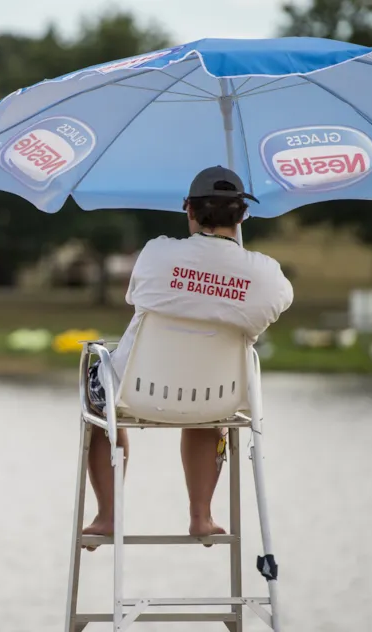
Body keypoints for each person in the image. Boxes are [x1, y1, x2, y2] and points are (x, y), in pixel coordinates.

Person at [83, 165, 294, 547]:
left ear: (189, 210)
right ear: (243, 214)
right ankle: (202, 516)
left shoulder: (156, 254)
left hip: (136, 391)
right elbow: (267, 314)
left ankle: (107, 515)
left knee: (100, 406)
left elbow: (136, 298)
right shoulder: (267, 276)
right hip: (217, 397)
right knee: (206, 407)